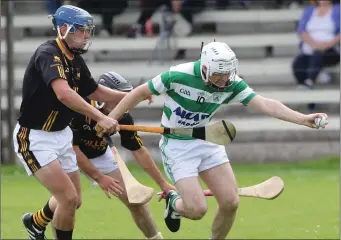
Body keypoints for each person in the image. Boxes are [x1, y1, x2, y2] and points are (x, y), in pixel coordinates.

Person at [97, 41, 329, 239]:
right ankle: (174, 203)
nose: (224, 79)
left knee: (231, 202)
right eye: (219, 74)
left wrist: (303, 119)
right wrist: (111, 118)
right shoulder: (177, 75)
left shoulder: (232, 83)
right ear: (205, 68)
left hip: (207, 139)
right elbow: (138, 93)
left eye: (228, 73)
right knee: (197, 210)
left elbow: (265, 103)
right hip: (177, 146)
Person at [12, 5, 130, 240]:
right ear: (64, 29)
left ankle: (35, 222)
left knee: (73, 200)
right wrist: (101, 117)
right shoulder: (48, 53)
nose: (87, 35)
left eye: (88, 30)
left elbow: (95, 91)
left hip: (61, 134)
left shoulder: (75, 59)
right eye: (82, 30)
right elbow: (64, 94)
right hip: (35, 137)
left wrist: (134, 95)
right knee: (68, 198)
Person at [66, 71, 175, 239]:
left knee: (136, 202)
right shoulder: (80, 109)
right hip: (66, 152)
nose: (126, 104)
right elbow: (74, 151)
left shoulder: (124, 117)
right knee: (70, 201)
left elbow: (138, 151)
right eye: (120, 98)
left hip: (99, 154)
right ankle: (37, 220)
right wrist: (99, 178)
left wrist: (163, 184)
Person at [292, 0, 340, 88]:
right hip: (310, 48)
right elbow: (301, 30)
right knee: (297, 64)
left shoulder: (338, 10)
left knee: (318, 54)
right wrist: (313, 44)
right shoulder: (309, 10)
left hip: (331, 50)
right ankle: (307, 90)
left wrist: (327, 45)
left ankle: (310, 81)